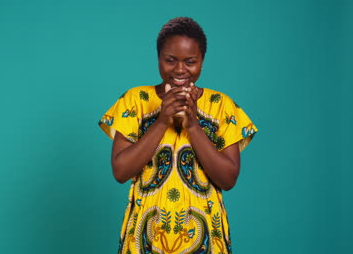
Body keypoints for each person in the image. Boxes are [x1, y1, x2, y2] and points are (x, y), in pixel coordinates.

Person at [98, 17, 257, 254]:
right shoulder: (135, 101)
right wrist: (162, 121)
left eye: (190, 61)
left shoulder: (222, 106)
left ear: (202, 61)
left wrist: (192, 125)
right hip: (144, 238)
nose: (180, 69)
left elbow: (228, 179)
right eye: (170, 60)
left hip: (206, 240)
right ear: (158, 58)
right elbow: (121, 171)